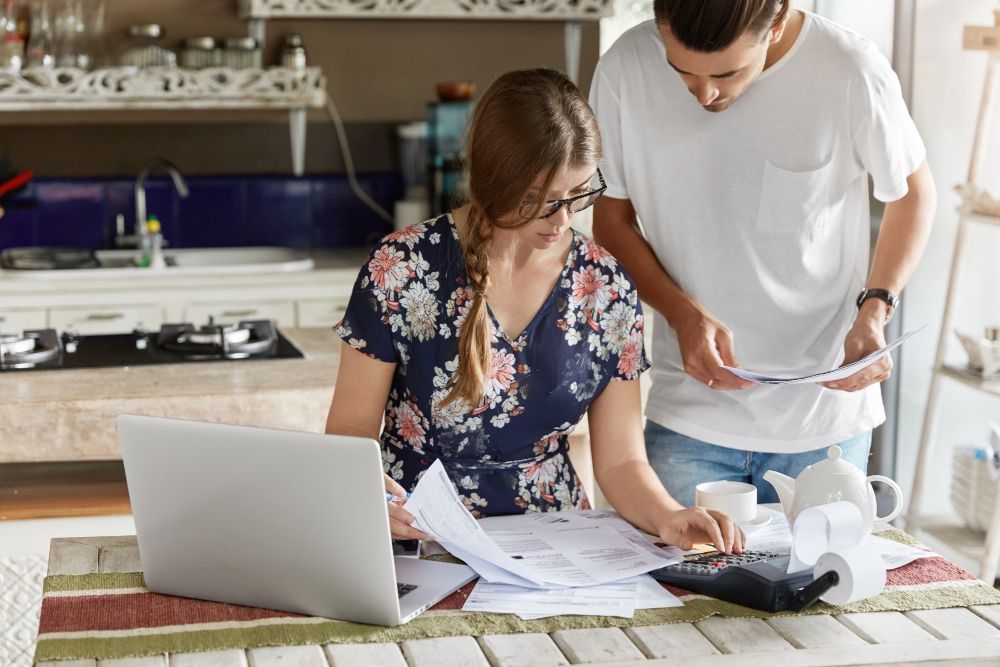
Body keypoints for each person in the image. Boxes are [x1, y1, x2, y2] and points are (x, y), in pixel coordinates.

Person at [325, 68, 744, 554]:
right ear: (491, 181)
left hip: (556, 548)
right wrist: (371, 497)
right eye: (537, 202)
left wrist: (669, 516)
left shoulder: (605, 287)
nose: (563, 221)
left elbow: (621, 463)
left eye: (578, 195)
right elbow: (350, 434)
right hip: (417, 540)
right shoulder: (400, 268)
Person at [589, 0, 937, 506]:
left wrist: (875, 309)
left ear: (775, 25)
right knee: (677, 585)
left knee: (819, 582)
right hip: (688, 417)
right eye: (681, 72)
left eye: (726, 74)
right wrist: (682, 314)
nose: (704, 94)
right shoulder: (625, 68)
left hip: (823, 426)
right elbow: (611, 221)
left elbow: (912, 195)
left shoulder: (850, 71)